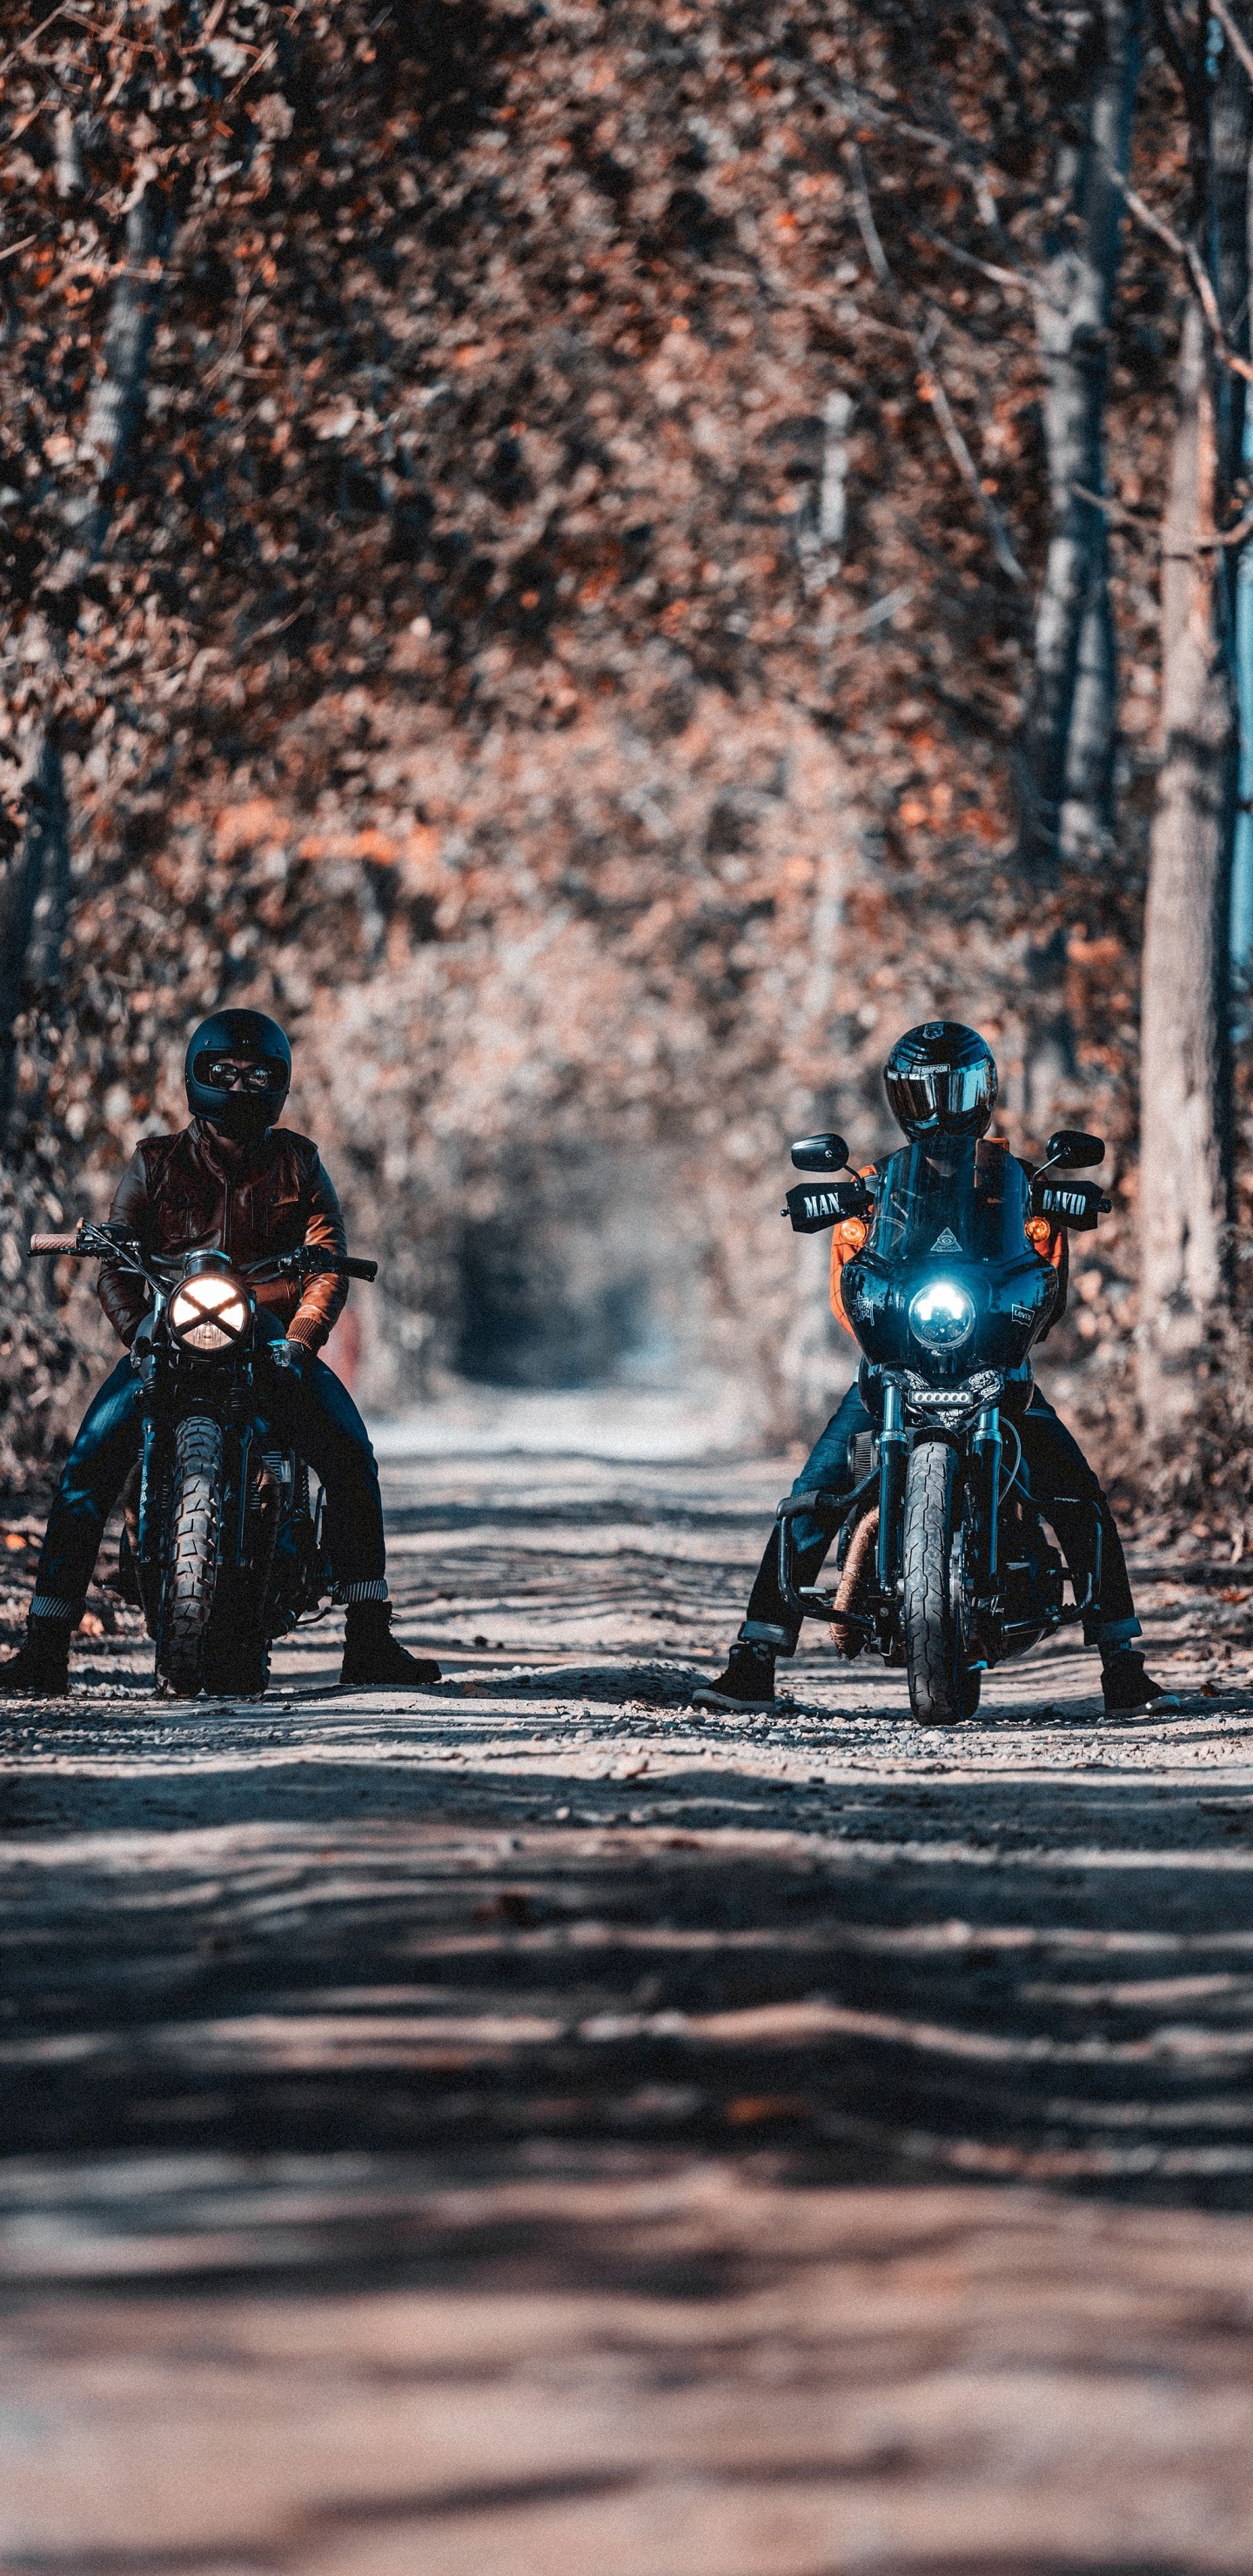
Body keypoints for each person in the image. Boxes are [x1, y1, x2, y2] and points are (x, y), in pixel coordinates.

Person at [696, 1021, 1171, 1720]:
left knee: (1079, 1498)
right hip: (894, 1370)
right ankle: (755, 1658)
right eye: (925, 1087)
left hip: (995, 1374)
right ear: (901, 1096)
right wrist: (833, 1205)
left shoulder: (1017, 1189)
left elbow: (1048, 1292)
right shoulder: (873, 1188)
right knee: (810, 1497)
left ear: (985, 1092)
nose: (942, 1102)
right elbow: (847, 1291)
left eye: (959, 1086)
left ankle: (1123, 1667)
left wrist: (1061, 1203)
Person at [0, 1008, 439, 1697]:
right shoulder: (155, 1161)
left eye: (255, 1074)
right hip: (168, 1333)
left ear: (278, 1083)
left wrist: (300, 1340)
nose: (239, 1086)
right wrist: (136, 1333)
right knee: (88, 1462)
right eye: (224, 1073)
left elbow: (325, 1262)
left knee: (351, 1453)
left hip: (264, 1334)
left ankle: (369, 1637)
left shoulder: (298, 1161)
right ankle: (45, 1646)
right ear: (198, 1077)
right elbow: (115, 1258)